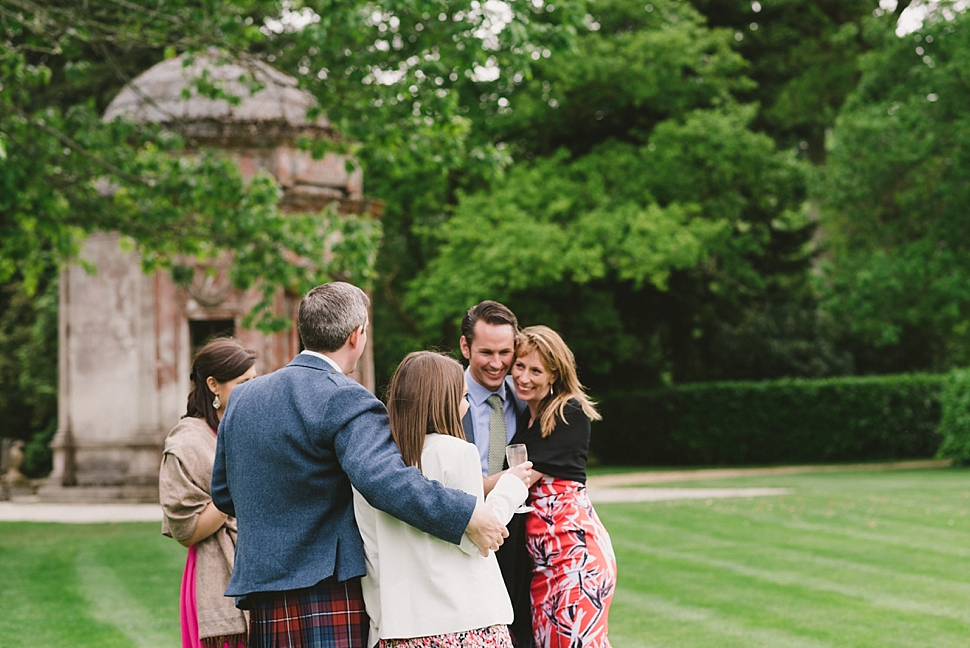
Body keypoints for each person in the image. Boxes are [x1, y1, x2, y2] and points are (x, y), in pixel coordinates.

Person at [211, 282, 509, 648]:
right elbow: (385, 480)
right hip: (327, 586)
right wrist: (467, 515)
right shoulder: (347, 398)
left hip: (264, 590)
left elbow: (224, 494)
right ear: (357, 336)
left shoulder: (243, 397)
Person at [353, 351, 533, 647]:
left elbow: (371, 552)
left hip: (396, 630)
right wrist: (511, 488)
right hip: (465, 623)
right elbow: (481, 539)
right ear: (444, 402)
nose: (465, 405)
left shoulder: (370, 467)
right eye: (463, 397)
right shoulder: (456, 452)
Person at [509, 326, 616, 648]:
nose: (524, 377)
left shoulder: (569, 411)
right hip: (544, 563)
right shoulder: (524, 417)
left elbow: (521, 478)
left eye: (536, 371)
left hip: (574, 559)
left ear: (554, 374)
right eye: (520, 366)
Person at [159, 337, 257, 648]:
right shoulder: (186, 443)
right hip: (215, 579)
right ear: (214, 384)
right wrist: (236, 482)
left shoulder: (249, 428)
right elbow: (187, 531)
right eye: (243, 382)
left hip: (259, 573)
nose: (252, 390)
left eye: (254, 381)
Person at [458, 301, 533, 647]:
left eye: (506, 352)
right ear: (465, 347)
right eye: (486, 352)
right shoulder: (444, 397)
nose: (497, 362)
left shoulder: (524, 396)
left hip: (517, 534)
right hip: (463, 530)